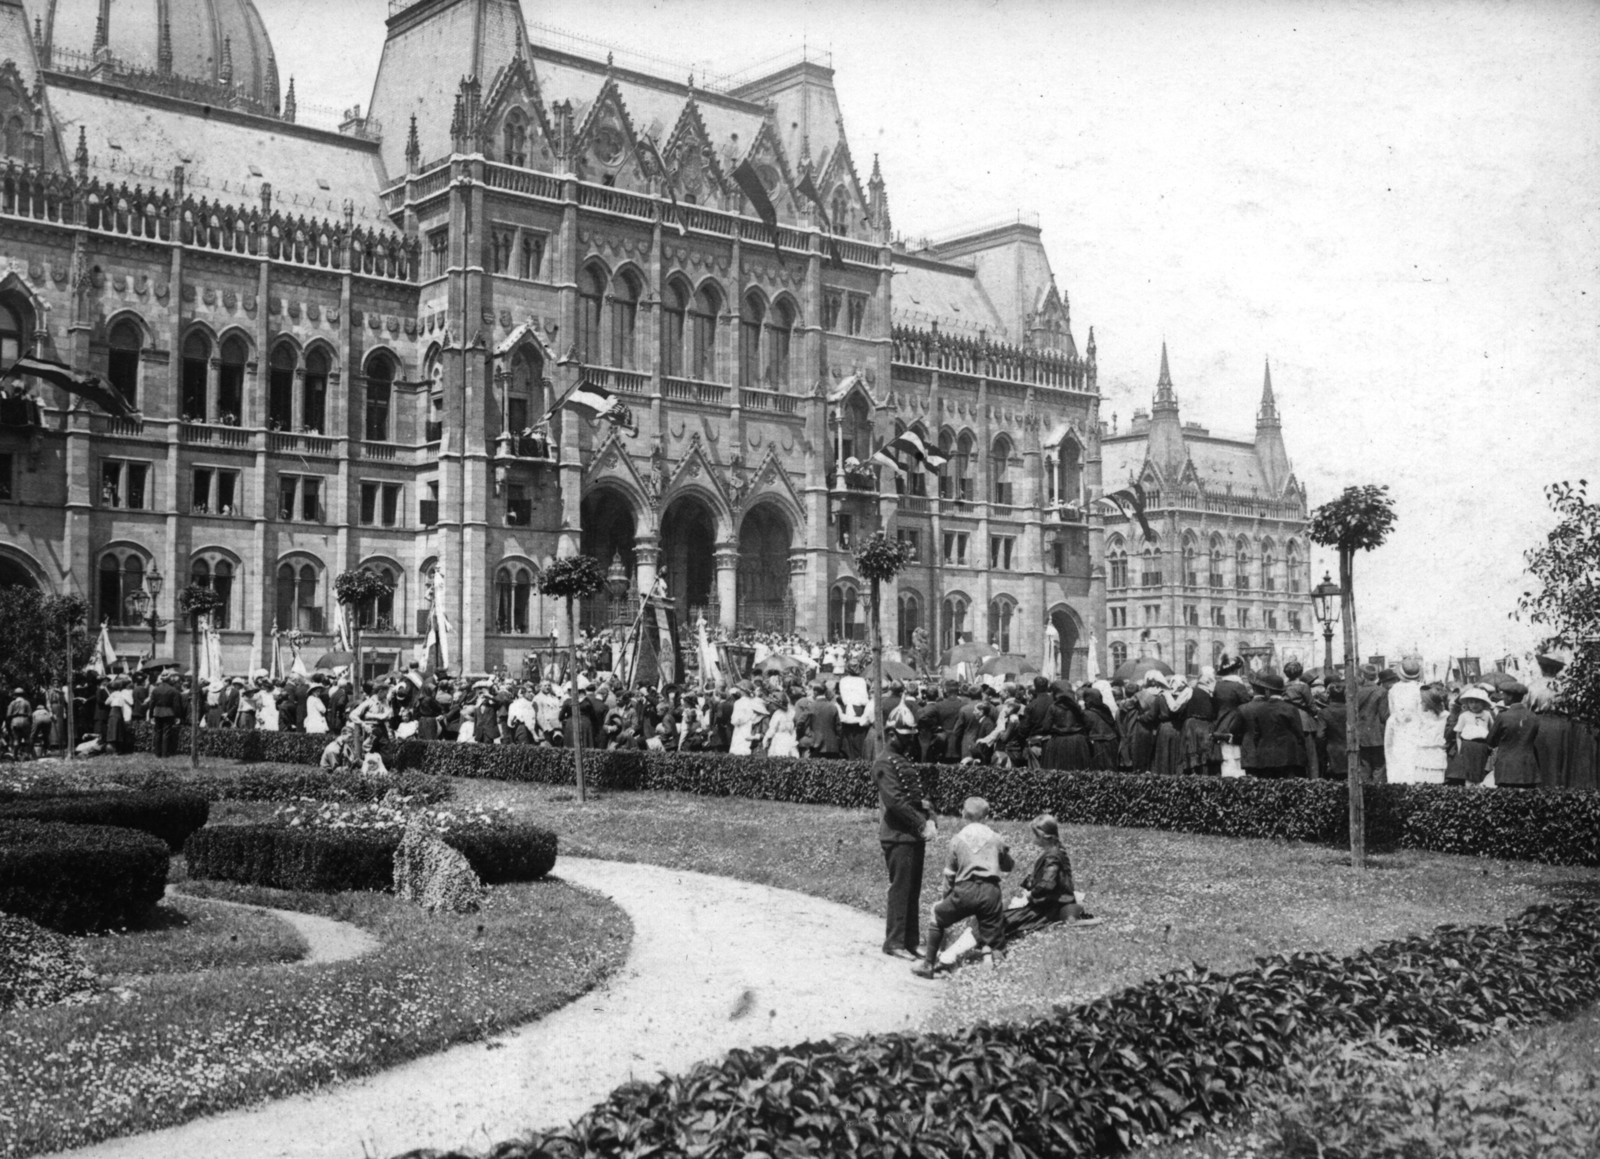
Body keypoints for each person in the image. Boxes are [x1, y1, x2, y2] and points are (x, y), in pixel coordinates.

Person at [912, 797, 1013, 979]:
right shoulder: (996, 838)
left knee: (937, 914)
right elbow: (1008, 866)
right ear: (987, 816)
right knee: (992, 933)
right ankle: (992, 967)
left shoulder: (957, 840)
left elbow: (949, 875)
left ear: (963, 814)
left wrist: (946, 898)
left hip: (965, 890)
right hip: (991, 891)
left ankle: (928, 964)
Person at [874, 726, 936, 961]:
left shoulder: (903, 760)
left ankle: (910, 941)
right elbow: (896, 802)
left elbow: (922, 798)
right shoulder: (884, 763)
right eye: (904, 736)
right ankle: (894, 942)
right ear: (891, 734)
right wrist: (921, 825)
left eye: (911, 735)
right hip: (897, 835)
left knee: (913, 890)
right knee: (901, 889)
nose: (910, 740)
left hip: (912, 836)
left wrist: (931, 819)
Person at [1002, 814, 1101, 942]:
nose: (1031, 837)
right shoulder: (1055, 851)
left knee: (1008, 920)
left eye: (1033, 834)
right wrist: (1028, 883)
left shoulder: (1052, 856)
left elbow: (1048, 883)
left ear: (1043, 836)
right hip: (1053, 902)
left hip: (1050, 905)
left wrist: (1031, 894)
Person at [1232, 672, 1306, 778]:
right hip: (1287, 756)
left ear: (1267, 690)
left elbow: (1256, 732)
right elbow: (1299, 734)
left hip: (1264, 756)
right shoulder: (1290, 708)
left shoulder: (1260, 709)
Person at [1485, 682, 1540, 788]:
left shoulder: (1503, 716)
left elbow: (1491, 740)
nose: (1502, 697)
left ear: (1510, 697)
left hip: (1507, 768)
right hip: (1528, 767)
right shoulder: (1533, 716)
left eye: (1504, 694)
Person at [1444, 685, 1494, 785]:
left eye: (1477, 702)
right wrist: (1460, 748)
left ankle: (1479, 792)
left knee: (1480, 770)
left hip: (1482, 746)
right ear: (1467, 703)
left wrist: (1490, 746)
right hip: (1468, 745)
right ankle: (1469, 790)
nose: (1474, 705)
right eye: (1471, 702)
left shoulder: (1487, 715)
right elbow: (1458, 734)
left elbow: (1492, 730)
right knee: (1468, 772)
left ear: (1483, 703)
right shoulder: (1464, 716)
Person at [1354, 664, 1391, 782]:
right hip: (1378, 736)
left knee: (1364, 768)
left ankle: (1366, 795)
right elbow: (1384, 715)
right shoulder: (1382, 691)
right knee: (1379, 768)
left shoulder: (1356, 692)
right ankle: (1377, 796)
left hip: (1361, 736)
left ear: (1362, 675)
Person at [1413, 685, 1449, 783]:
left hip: (1436, 753)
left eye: (1423, 701)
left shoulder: (1445, 716)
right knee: (1420, 781)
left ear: (1430, 703)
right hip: (1422, 753)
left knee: (1435, 782)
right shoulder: (1420, 715)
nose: (1421, 703)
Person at [150, 674, 184, 756]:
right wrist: (177, 716)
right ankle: (165, 753)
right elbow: (176, 705)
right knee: (166, 733)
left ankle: (157, 753)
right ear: (169, 680)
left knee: (158, 732)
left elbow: (152, 703)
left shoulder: (155, 690)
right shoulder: (173, 690)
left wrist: (151, 715)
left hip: (157, 712)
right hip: (168, 712)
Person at [763, 693, 798, 758]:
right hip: (790, 737)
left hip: (779, 738)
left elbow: (772, 729)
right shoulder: (792, 712)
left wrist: (766, 738)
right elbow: (795, 727)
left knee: (778, 757)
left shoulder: (778, 714)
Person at [6, 687, 31, 756]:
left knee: (16, 739)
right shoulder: (27, 703)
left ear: (15, 695)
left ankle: (15, 756)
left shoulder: (12, 703)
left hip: (15, 721)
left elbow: (8, 715)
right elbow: (30, 715)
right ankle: (27, 755)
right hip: (25, 720)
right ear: (23, 695)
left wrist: (9, 723)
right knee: (27, 738)